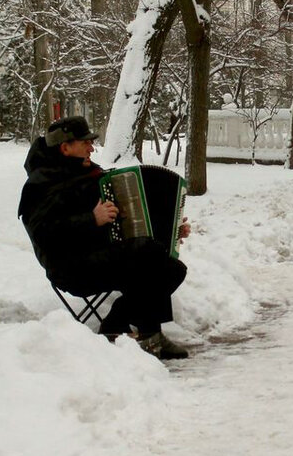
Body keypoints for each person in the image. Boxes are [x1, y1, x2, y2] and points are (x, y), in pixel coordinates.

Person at [17, 116, 192, 359]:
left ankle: (115, 323)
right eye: (85, 143)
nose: (91, 148)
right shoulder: (42, 184)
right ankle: (151, 338)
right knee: (146, 254)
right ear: (65, 148)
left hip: (101, 253)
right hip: (70, 266)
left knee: (172, 268)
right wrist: (92, 219)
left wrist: (170, 229)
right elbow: (44, 234)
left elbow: (127, 217)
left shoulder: (88, 172)